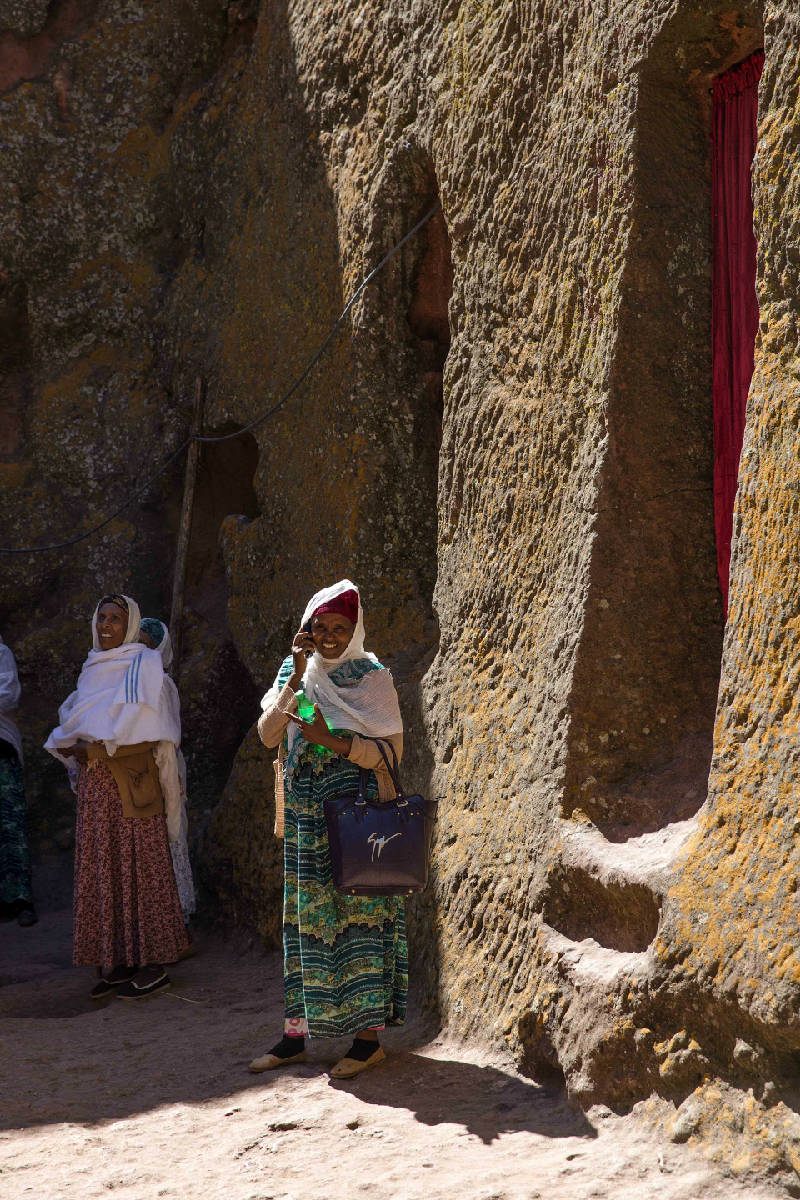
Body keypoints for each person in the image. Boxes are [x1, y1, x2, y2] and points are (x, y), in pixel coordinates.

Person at [250, 579, 406, 1079]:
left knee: (363, 918)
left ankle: (367, 1041)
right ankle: (296, 1035)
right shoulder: (295, 673)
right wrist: (294, 676)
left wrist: (332, 743)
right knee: (304, 921)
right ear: (307, 630)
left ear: (355, 629)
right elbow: (268, 734)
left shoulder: (373, 677)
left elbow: (391, 754)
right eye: (322, 627)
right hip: (304, 820)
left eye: (341, 627)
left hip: (357, 817)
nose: (332, 636)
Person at [44, 594, 189, 998]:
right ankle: (122, 961)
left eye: (115, 618)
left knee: (141, 872)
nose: (106, 625)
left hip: (132, 787)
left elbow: (149, 732)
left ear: (131, 624)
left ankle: (155, 963)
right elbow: (85, 721)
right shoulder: (92, 669)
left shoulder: (145, 666)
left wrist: (91, 751)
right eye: (101, 617)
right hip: (96, 792)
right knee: (107, 872)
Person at [139, 617, 196, 927]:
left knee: (171, 835)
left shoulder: (161, 684)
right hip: (144, 776)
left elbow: (166, 740)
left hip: (165, 771)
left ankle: (176, 923)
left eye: (146, 645)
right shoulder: (131, 682)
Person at [0, 633, 36, 926]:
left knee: (12, 826)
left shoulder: (1, 652)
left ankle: (22, 900)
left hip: (2, 749)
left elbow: (9, 695)